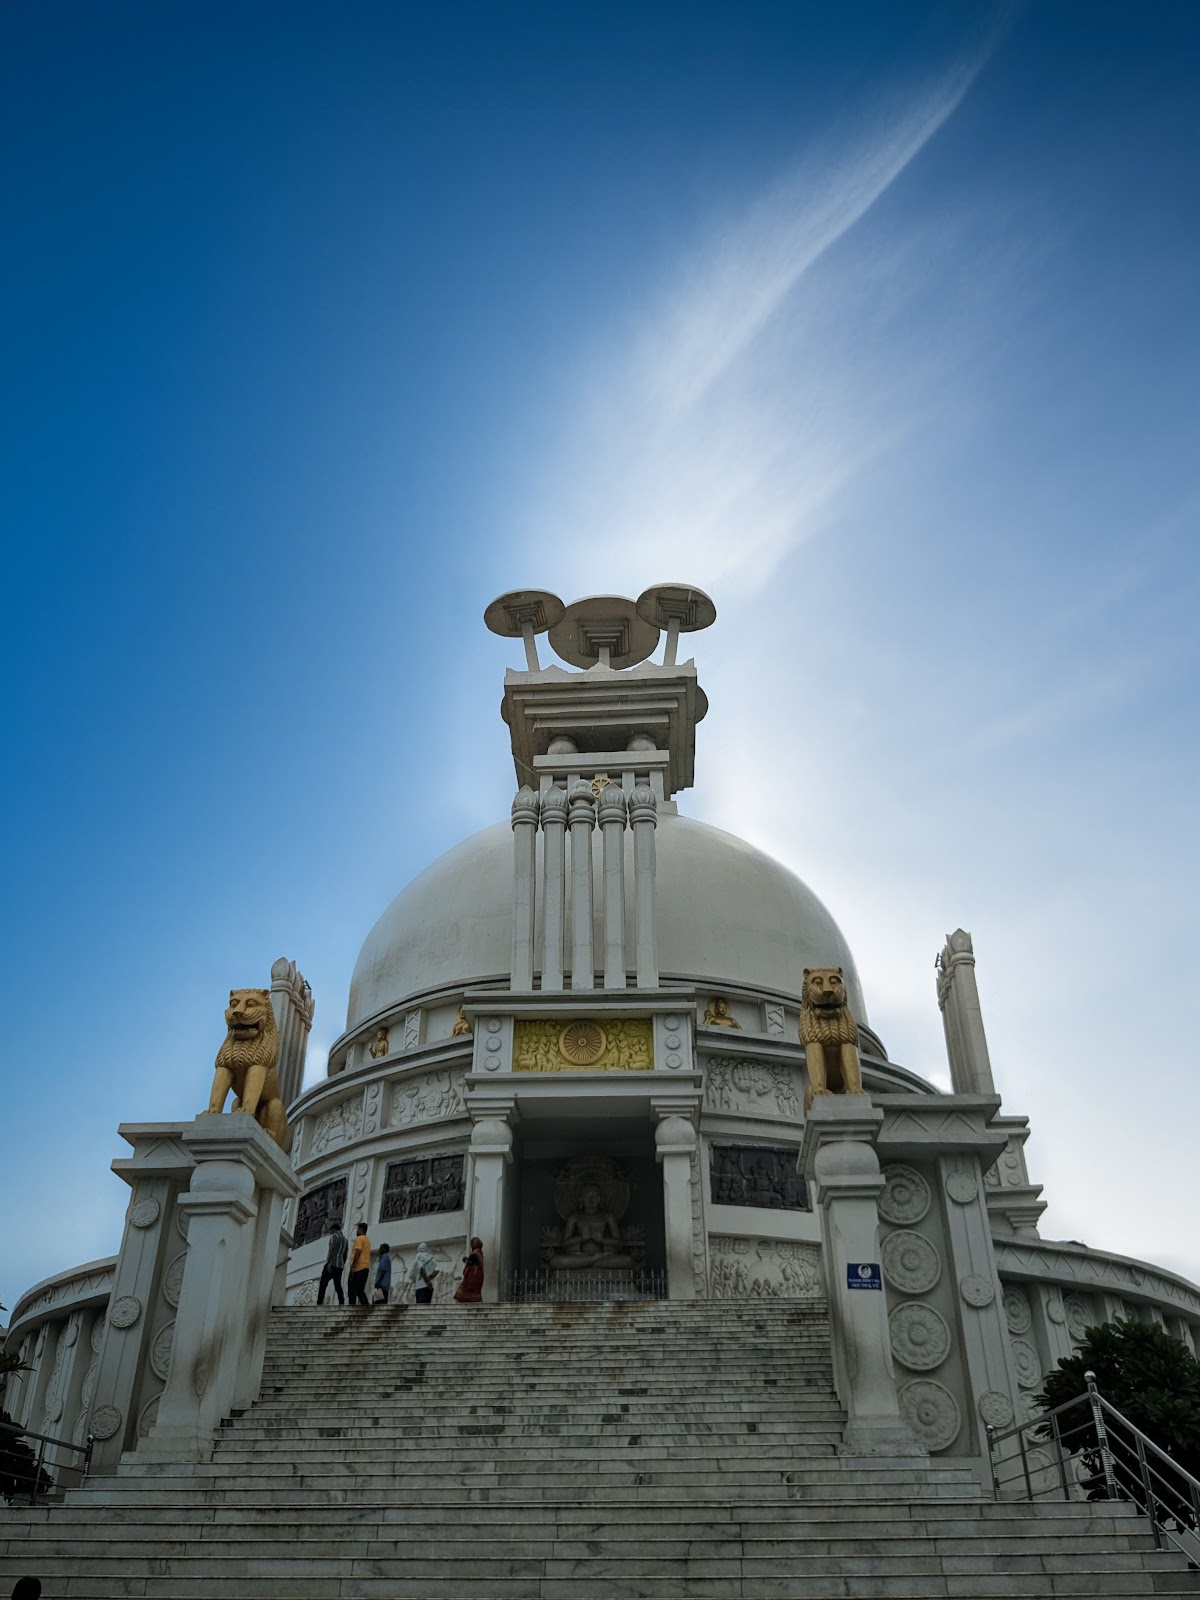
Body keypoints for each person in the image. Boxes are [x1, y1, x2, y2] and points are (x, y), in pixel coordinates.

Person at [317, 1219, 348, 1306]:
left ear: (333, 1229)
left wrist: (329, 1262)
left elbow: (332, 1249)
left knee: (323, 1283)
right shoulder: (345, 1240)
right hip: (340, 1265)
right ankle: (341, 1302)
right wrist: (343, 1263)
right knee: (338, 1285)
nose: (330, 1232)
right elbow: (345, 1253)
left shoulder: (334, 1236)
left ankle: (319, 1302)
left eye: (330, 1231)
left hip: (332, 1264)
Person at [347, 1222, 372, 1307]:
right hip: (365, 1268)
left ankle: (351, 1308)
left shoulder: (359, 1239)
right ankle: (366, 1306)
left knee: (352, 1290)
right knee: (360, 1290)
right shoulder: (367, 1240)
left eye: (357, 1229)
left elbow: (358, 1252)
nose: (357, 1231)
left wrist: (353, 1266)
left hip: (358, 1268)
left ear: (361, 1229)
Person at [454, 1237, 485, 1304]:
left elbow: (471, 1262)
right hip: (476, 1273)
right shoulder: (479, 1252)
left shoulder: (475, 1252)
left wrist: (465, 1259)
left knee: (468, 1287)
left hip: (473, 1274)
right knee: (474, 1289)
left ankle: (470, 1299)